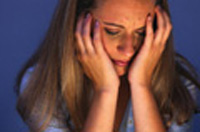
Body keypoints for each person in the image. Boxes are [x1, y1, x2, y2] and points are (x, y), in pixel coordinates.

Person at [14, 0, 200, 132]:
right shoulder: (40, 84)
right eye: (112, 31)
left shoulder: (180, 82)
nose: (128, 49)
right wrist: (106, 90)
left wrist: (141, 86)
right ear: (77, 24)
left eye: (142, 33)